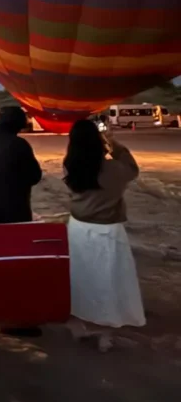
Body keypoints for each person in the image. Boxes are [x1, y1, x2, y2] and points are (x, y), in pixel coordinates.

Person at [63, 119, 145, 352]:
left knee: (81, 276)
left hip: (78, 227)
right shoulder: (115, 170)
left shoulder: (70, 166)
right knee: (108, 280)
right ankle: (105, 333)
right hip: (108, 230)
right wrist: (113, 143)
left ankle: (78, 323)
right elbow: (132, 168)